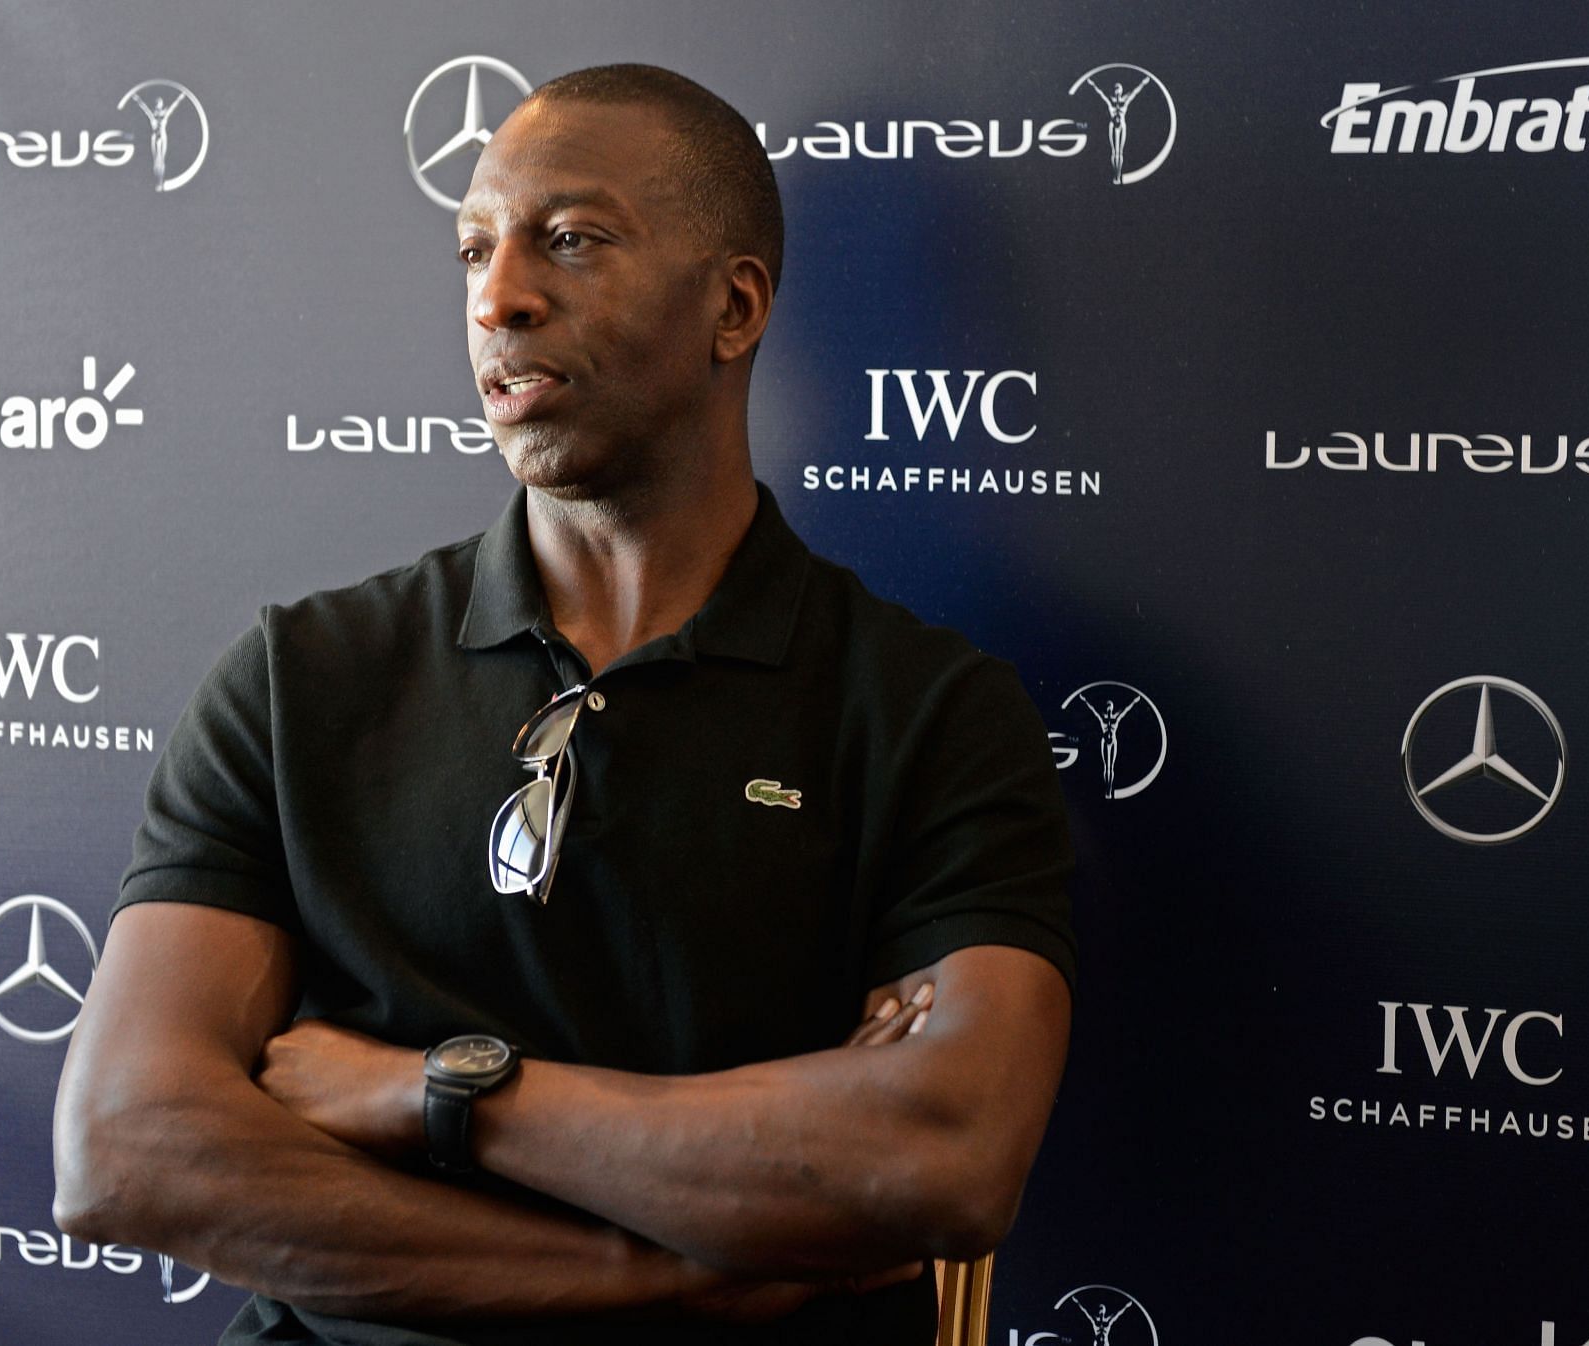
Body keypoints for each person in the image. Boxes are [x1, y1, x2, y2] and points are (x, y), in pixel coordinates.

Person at [53, 64, 1075, 1346]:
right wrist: (660, 1275)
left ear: (735, 305)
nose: (500, 296)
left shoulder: (928, 712)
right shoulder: (297, 677)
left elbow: (942, 1156)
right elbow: (127, 1148)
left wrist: (435, 1093)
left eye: (573, 240)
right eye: (476, 248)